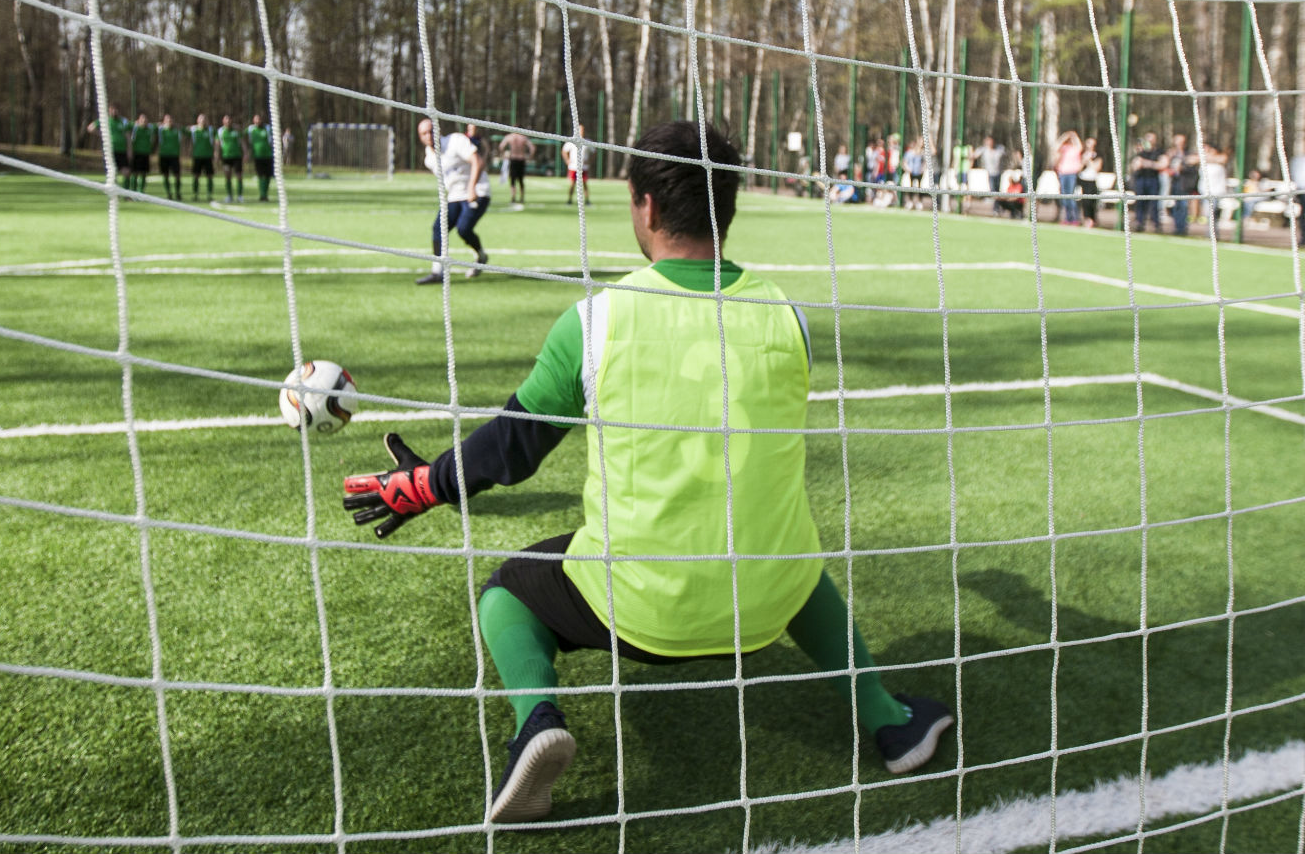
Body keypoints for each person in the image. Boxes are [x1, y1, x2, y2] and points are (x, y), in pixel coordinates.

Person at [342, 121, 953, 824]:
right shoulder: (791, 318)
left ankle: (536, 720)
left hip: (638, 611)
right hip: (764, 605)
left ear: (647, 206)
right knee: (793, 552)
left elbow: (511, 449)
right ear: (728, 206)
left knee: (506, 591)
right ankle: (889, 719)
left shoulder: (596, 321)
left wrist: (426, 484)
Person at [415, 117, 490, 284]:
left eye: (431, 131)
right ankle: (437, 272)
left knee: (464, 229)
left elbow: (478, 162)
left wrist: (472, 187)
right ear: (420, 137)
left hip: (478, 191)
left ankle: (481, 256)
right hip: (455, 196)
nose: (428, 135)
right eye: (424, 133)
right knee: (438, 228)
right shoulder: (429, 158)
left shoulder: (455, 141)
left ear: (438, 130)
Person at [1130, 132, 1166, 233]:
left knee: (1154, 203)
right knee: (1140, 202)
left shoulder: (1159, 152)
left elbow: (1162, 164)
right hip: (1141, 179)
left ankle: (1156, 225)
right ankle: (1139, 223)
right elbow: (1135, 166)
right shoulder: (1140, 152)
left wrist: (1147, 163)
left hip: (1153, 179)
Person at [87, 104, 131, 187]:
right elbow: (90, 128)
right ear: (109, 111)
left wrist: (129, 150)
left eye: (116, 110)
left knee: (127, 172)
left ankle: (126, 191)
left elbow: (128, 136)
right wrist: (101, 134)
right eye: (112, 110)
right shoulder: (105, 120)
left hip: (122, 150)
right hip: (109, 150)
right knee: (112, 172)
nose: (114, 112)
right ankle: (114, 190)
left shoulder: (123, 121)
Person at [1053, 130, 1083, 225]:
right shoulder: (1064, 148)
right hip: (1063, 173)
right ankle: (1067, 218)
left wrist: (1074, 136)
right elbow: (1056, 146)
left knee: (1071, 196)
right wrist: (1065, 136)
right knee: (1064, 196)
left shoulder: (1075, 149)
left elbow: (1079, 146)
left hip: (1072, 174)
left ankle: (1075, 218)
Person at [971, 135, 1005, 214]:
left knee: (997, 191)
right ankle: (996, 207)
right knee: (993, 191)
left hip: (998, 173)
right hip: (990, 173)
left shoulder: (999, 148)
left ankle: (997, 207)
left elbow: (1005, 154)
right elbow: (974, 155)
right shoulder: (984, 149)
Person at [501, 131, 534, 206]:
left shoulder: (510, 137)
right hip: (521, 159)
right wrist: (530, 157)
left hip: (513, 159)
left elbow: (501, 146)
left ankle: (513, 198)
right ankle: (522, 198)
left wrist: (503, 155)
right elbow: (532, 148)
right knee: (521, 180)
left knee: (513, 180)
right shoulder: (523, 137)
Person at [218, 114, 245, 203]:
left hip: (237, 156)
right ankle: (229, 195)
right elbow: (217, 143)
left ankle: (240, 195)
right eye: (226, 120)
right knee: (227, 176)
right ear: (223, 121)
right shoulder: (220, 131)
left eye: (229, 119)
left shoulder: (236, 131)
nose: (228, 121)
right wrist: (217, 155)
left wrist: (245, 152)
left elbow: (242, 142)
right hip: (226, 157)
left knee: (239, 176)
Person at [188, 113, 215, 202]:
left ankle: (209, 194)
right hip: (197, 156)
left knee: (209, 176)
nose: (203, 121)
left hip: (208, 156)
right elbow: (182, 129)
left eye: (204, 119)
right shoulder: (193, 130)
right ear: (197, 120)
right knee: (196, 175)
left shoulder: (211, 130)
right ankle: (195, 194)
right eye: (201, 119)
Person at [247, 114, 274, 202]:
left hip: (268, 155)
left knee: (268, 175)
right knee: (260, 175)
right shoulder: (251, 129)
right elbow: (242, 136)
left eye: (259, 119)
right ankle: (262, 195)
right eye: (256, 119)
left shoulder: (267, 128)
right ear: (253, 120)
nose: (258, 121)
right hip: (257, 156)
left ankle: (265, 194)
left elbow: (274, 138)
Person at [1077, 136, 1102, 228]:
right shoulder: (1082, 154)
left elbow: (1097, 168)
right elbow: (1078, 168)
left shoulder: (1097, 155)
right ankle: (1085, 219)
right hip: (1082, 179)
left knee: (1091, 201)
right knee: (1084, 201)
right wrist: (1084, 160)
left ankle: (1092, 220)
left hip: (1091, 180)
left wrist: (1090, 160)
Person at [562, 126, 589, 205]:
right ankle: (569, 200)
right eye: (580, 130)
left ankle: (587, 201)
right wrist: (567, 160)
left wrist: (589, 161)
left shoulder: (587, 142)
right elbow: (564, 151)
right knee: (572, 184)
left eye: (583, 130)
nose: (582, 132)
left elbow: (594, 152)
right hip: (573, 167)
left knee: (584, 184)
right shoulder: (572, 141)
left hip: (583, 167)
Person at [901, 138, 925, 210]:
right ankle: (910, 202)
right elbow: (904, 162)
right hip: (911, 173)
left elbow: (925, 162)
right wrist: (907, 169)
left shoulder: (922, 153)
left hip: (919, 173)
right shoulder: (909, 153)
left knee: (920, 188)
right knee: (910, 187)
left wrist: (922, 169)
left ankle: (919, 203)